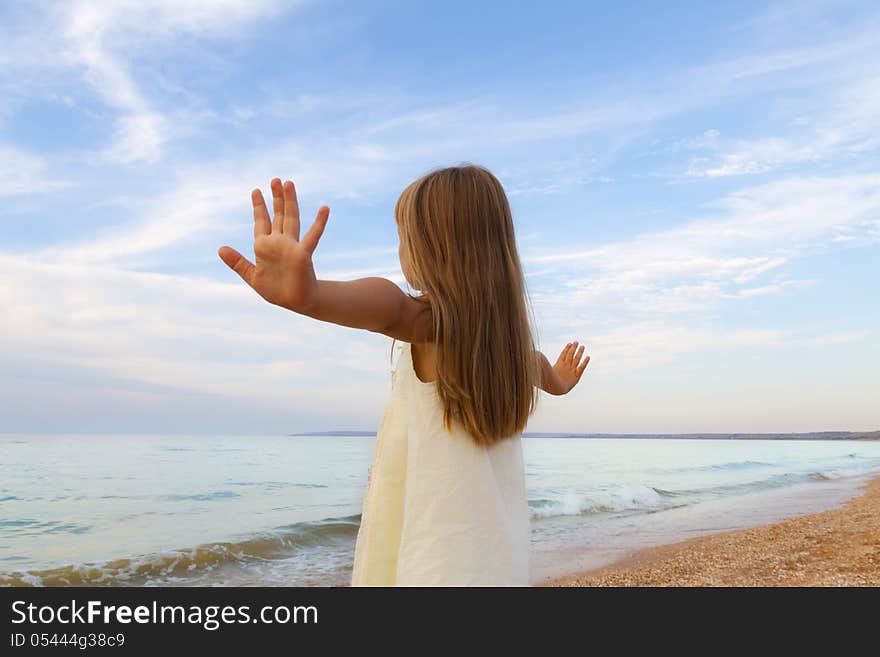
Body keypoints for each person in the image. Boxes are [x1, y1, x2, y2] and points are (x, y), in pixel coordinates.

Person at [218, 164, 590, 586]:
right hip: (495, 557)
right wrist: (560, 382)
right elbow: (543, 371)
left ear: (437, 249)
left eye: (404, 238)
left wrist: (312, 298)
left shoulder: (429, 324)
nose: (400, 251)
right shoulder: (510, 352)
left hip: (432, 560)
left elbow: (388, 306)